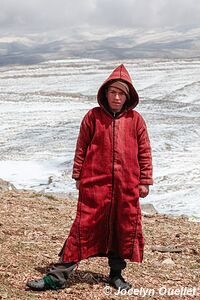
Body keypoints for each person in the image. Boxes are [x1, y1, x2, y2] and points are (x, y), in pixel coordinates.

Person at [26, 64, 153, 292]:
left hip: (126, 188)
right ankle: (56, 277)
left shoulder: (136, 121)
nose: (116, 97)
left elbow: (144, 151)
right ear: (105, 93)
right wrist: (78, 175)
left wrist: (144, 180)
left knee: (121, 229)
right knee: (82, 229)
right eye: (113, 92)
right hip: (95, 186)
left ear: (128, 96)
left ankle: (116, 275)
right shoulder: (92, 117)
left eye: (121, 93)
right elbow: (81, 147)